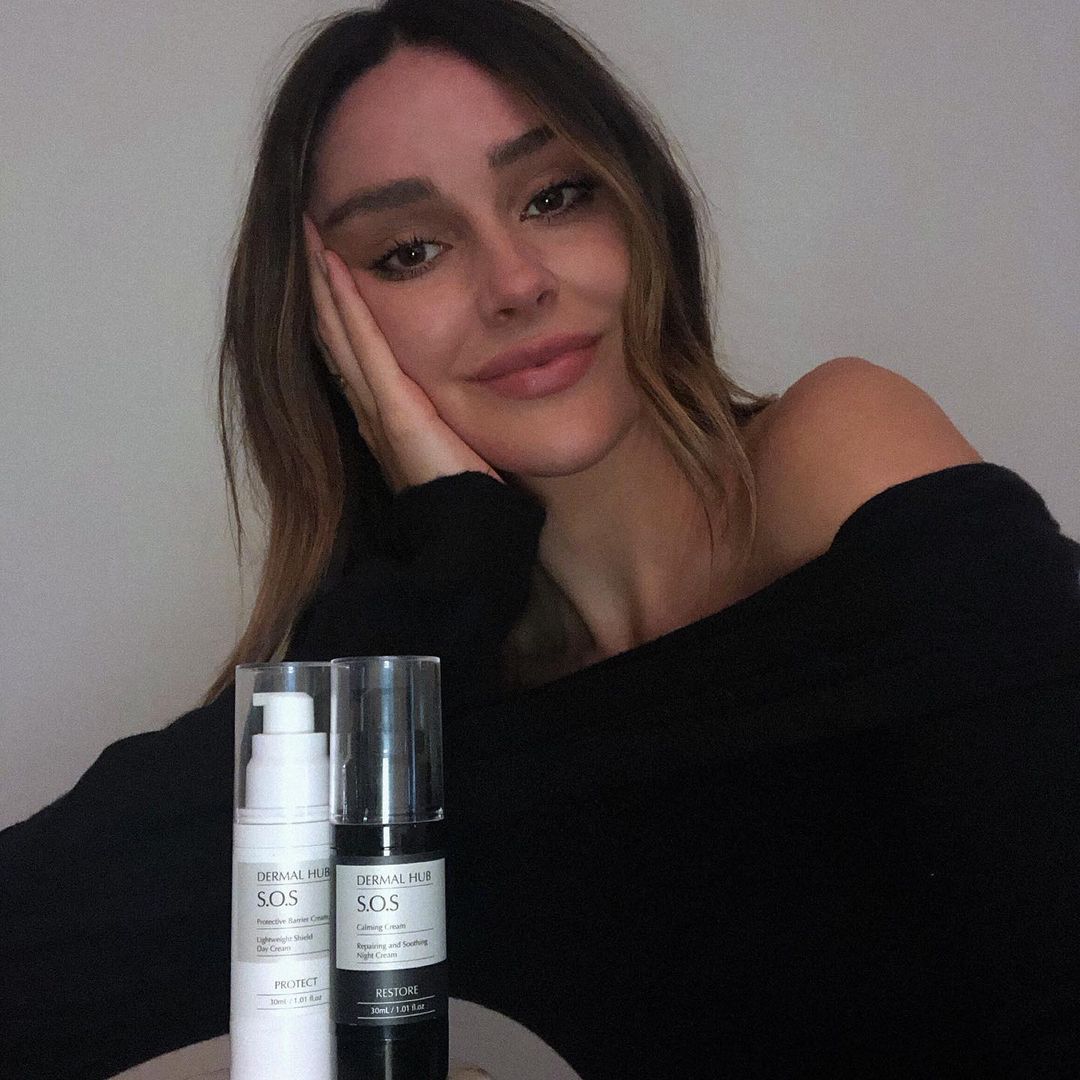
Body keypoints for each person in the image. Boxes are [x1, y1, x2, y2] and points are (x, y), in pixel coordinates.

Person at [3, 1, 1079, 1077]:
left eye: (555, 196)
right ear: (328, 335)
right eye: (411, 250)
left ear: (640, 210)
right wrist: (449, 557)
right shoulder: (420, 694)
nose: (517, 283)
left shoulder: (838, 455)